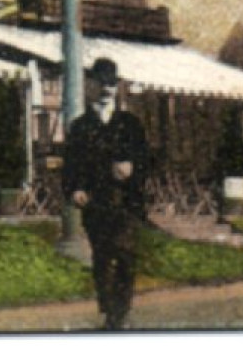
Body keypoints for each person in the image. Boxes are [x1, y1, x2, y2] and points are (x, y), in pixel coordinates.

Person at [62, 57, 148, 330]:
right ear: (90, 84)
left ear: (117, 86)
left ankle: (117, 315)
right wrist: (74, 189)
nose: (107, 89)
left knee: (124, 255)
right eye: (101, 83)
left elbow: (148, 160)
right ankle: (109, 308)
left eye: (112, 83)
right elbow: (70, 166)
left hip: (125, 203)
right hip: (96, 203)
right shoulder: (81, 126)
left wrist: (132, 168)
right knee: (102, 256)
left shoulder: (130, 124)